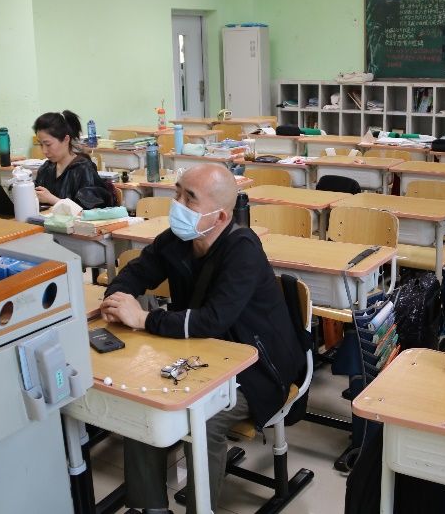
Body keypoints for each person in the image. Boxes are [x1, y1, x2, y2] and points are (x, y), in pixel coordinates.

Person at [100, 163, 304, 514]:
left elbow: (213, 320)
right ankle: (151, 508)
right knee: (142, 401)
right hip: (197, 355)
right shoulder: (176, 240)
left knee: (204, 422)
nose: (177, 203)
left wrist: (144, 318)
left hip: (256, 368)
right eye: (177, 192)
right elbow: (135, 273)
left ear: (221, 216)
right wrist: (116, 300)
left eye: (189, 197)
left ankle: (201, 508)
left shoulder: (242, 249)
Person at [33, 110, 111, 210]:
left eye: (48, 144)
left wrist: (52, 199)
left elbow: (88, 212)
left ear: (66, 140)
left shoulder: (83, 169)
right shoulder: (46, 168)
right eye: (41, 144)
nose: (44, 151)